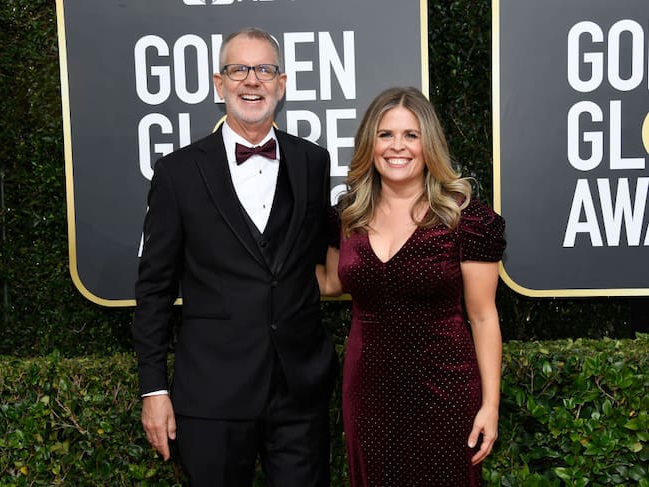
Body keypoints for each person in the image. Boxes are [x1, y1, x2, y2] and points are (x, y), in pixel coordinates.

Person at [133, 27, 339, 487]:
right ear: (218, 83)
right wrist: (154, 388)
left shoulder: (313, 162)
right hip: (211, 397)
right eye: (238, 69)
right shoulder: (177, 173)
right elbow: (154, 290)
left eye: (264, 69)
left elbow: (330, 246)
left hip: (299, 395)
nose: (252, 80)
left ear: (281, 84)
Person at [317, 87, 506, 486]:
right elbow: (331, 282)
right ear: (370, 143)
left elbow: (484, 316)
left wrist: (490, 405)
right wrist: (251, 266)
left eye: (410, 135)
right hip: (368, 394)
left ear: (428, 145)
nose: (396, 146)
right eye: (385, 135)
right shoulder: (348, 216)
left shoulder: (463, 219)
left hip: (445, 391)